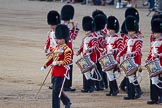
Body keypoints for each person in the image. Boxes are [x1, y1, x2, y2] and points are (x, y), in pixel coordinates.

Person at [41, 24, 72, 108]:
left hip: (62, 72)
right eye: (57, 38)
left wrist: (57, 63)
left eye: (60, 39)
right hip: (54, 72)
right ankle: (63, 103)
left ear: (64, 39)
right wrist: (45, 65)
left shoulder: (67, 49)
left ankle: (66, 102)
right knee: (55, 91)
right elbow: (51, 58)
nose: (58, 40)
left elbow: (67, 61)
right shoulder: (56, 48)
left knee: (56, 89)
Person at [117, 16, 143, 100]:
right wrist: (119, 54)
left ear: (135, 31)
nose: (129, 33)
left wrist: (132, 54)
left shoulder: (138, 40)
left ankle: (136, 92)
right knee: (129, 77)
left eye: (131, 31)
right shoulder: (128, 40)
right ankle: (130, 94)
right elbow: (124, 49)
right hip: (128, 61)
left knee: (131, 77)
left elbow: (138, 51)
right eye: (128, 31)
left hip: (134, 61)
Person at [76, 16, 98, 93]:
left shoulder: (94, 38)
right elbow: (82, 47)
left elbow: (95, 47)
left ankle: (91, 86)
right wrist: (79, 51)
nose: (86, 32)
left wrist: (90, 49)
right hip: (85, 57)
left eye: (87, 30)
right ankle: (86, 87)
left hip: (91, 58)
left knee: (89, 72)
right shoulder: (85, 38)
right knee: (86, 72)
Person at [61, 5, 79, 91]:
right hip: (67, 50)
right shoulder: (65, 27)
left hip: (62, 50)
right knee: (68, 68)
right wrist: (75, 27)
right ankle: (66, 85)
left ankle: (60, 84)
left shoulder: (61, 26)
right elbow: (72, 37)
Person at [105, 16, 124, 96]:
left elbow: (120, 48)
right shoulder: (108, 38)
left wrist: (114, 50)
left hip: (114, 59)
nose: (109, 31)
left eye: (111, 29)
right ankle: (112, 90)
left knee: (110, 73)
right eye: (109, 29)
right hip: (108, 58)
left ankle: (114, 89)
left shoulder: (118, 38)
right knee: (109, 74)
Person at [146, 18, 162, 104]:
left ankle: (161, 97)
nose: (155, 34)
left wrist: (159, 56)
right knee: (153, 80)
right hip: (153, 63)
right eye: (154, 33)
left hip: (160, 63)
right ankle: (154, 98)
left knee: (160, 81)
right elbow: (150, 52)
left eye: (157, 33)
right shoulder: (153, 42)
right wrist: (148, 59)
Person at [44, 10, 60, 89]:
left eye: (53, 25)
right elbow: (48, 41)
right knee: (52, 68)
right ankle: (53, 82)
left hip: (57, 52)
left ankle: (56, 83)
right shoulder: (50, 32)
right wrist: (46, 48)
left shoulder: (58, 33)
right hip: (51, 52)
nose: (51, 26)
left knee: (56, 68)